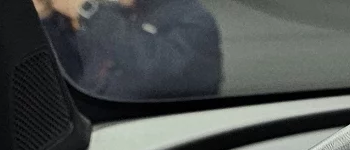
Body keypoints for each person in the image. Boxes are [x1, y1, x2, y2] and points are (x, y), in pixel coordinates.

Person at [35, 0, 220, 100]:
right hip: (95, 120)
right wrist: (46, 19)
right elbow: (75, 72)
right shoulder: (118, 15)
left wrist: (87, 12)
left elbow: (163, 72)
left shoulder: (194, 19)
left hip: (152, 134)